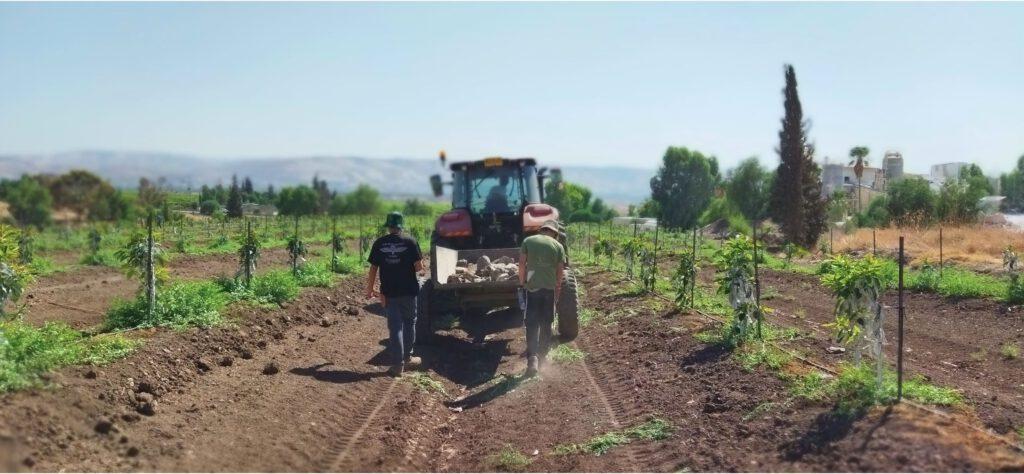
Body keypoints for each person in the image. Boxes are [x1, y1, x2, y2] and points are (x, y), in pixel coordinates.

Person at [366, 211, 424, 377]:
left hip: (389, 293)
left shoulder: (379, 243)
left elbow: (373, 268)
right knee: (409, 323)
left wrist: (370, 289)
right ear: (401, 225)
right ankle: (408, 358)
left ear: (389, 225)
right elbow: (419, 268)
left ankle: (398, 365)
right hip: (409, 291)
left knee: (395, 327)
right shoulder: (410, 242)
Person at [517, 220, 566, 377]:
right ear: (554, 233)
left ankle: (532, 359)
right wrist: (557, 289)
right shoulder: (558, 246)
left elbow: (522, 264)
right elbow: (560, 272)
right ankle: (542, 358)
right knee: (546, 324)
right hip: (549, 290)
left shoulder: (528, 241)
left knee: (532, 324)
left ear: (542, 230)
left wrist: (522, 282)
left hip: (532, 290)